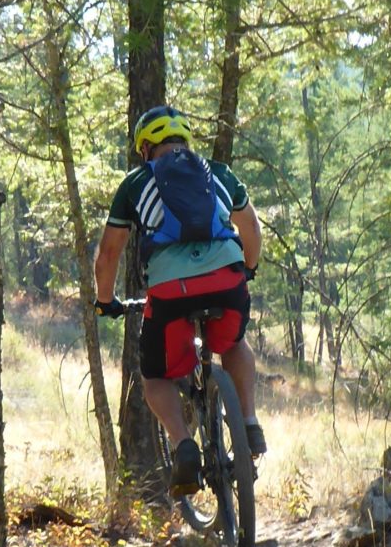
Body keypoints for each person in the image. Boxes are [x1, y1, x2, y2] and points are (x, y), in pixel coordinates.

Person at [93, 104, 265, 495]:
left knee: (157, 377)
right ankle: (250, 425)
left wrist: (106, 301)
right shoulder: (218, 172)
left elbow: (108, 255)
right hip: (227, 276)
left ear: (145, 148)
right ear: (184, 141)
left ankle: (183, 445)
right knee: (234, 344)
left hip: (171, 290)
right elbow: (250, 227)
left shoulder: (135, 182)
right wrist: (247, 269)